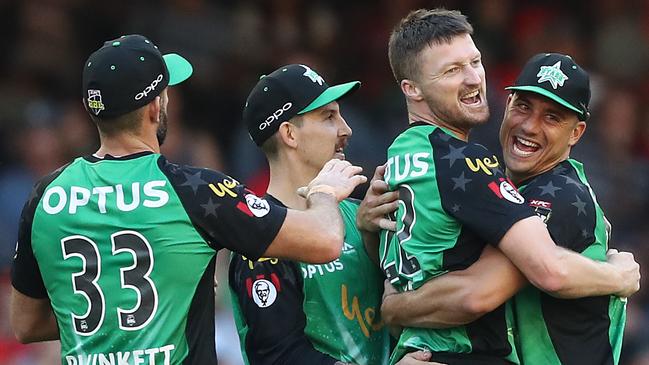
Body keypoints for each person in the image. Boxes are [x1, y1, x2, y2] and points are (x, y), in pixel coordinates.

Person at [10, 35, 367, 365]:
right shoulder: (191, 189)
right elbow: (324, 241)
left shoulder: (46, 195)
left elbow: (25, 324)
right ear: (156, 106)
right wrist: (323, 192)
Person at [376, 8, 639, 364]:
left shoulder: (557, 196)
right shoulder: (469, 173)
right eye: (523, 106)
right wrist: (617, 276)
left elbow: (479, 293)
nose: (530, 126)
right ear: (508, 102)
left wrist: (393, 308)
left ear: (576, 133)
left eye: (552, 117)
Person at [228, 64, 390, 365]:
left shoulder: (362, 215)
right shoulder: (262, 238)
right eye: (329, 117)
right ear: (289, 134)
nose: (347, 129)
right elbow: (280, 356)